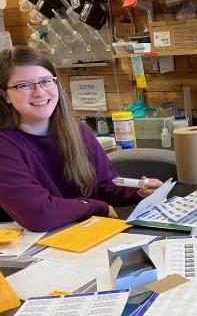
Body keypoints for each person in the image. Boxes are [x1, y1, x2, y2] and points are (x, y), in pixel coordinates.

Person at [0, 46, 163, 232]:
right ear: (5, 95)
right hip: (37, 249)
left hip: (87, 236)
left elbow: (106, 187)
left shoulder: (78, 132)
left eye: (45, 81)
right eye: (24, 85)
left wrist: (139, 190)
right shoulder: (5, 145)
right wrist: (94, 207)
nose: (39, 92)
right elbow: (38, 214)